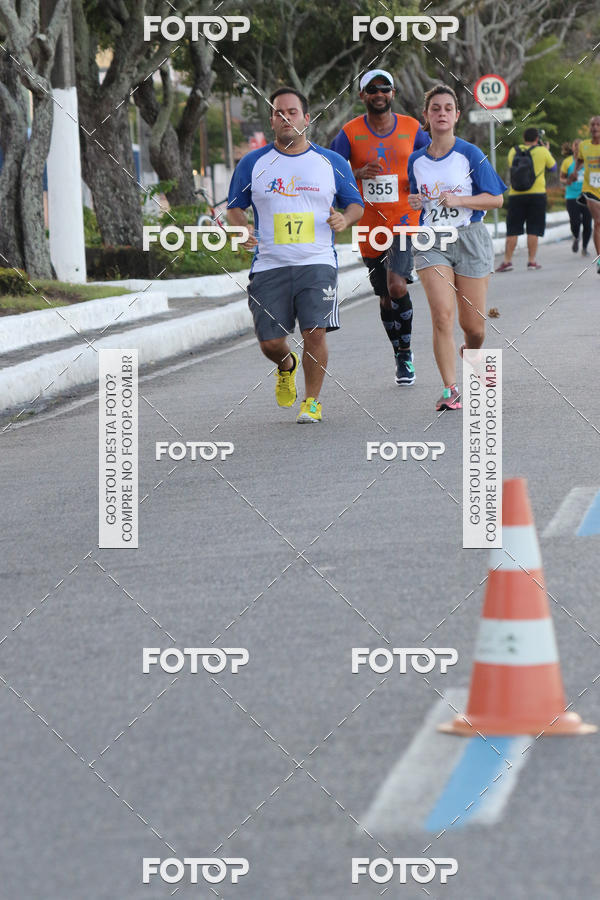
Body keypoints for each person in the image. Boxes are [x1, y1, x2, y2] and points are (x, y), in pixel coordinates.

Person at [226, 87, 364, 423]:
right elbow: (234, 209)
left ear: (306, 118)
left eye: (292, 112)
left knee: (314, 332)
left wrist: (344, 218)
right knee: (270, 342)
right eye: (279, 113)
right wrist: (242, 228)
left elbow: (356, 204)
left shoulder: (330, 162)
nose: (286, 118)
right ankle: (286, 364)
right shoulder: (252, 163)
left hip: (317, 262)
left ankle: (312, 402)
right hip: (270, 264)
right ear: (272, 121)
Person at [407, 84, 506, 411]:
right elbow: (419, 200)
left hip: (469, 237)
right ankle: (450, 389)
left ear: (457, 115)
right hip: (431, 240)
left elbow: (496, 198)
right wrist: (415, 201)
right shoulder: (416, 160)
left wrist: (460, 199)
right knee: (441, 315)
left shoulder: (470, 153)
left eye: (448, 108)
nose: (441, 114)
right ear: (426, 116)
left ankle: (469, 349)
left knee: (474, 327)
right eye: (435, 108)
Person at [330, 70, 430, 386]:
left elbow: (433, 160)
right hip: (369, 224)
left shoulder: (413, 128)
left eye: (384, 88)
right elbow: (330, 170)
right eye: (372, 89)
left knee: (397, 285)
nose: (379, 93)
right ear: (362, 95)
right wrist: (357, 172)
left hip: (404, 219)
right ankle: (398, 351)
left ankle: (407, 354)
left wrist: (423, 190)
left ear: (393, 93)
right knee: (386, 297)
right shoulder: (349, 133)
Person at [496, 127, 556, 272]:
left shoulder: (514, 150)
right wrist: (546, 149)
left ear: (524, 138)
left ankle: (507, 261)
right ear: (537, 138)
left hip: (516, 195)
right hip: (537, 195)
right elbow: (553, 168)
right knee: (533, 229)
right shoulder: (542, 151)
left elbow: (513, 167)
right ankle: (531, 261)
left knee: (513, 230)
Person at [568, 116, 600, 274]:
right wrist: (574, 172)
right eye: (592, 125)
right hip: (590, 188)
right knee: (598, 222)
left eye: (598, 125)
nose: (594, 127)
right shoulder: (584, 146)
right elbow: (579, 160)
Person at [560, 139, 591, 256]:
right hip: (571, 196)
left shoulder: (589, 161)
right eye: (576, 146)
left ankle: (584, 248)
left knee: (588, 224)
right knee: (575, 222)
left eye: (580, 146)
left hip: (587, 196)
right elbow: (561, 178)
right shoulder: (567, 162)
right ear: (572, 148)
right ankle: (576, 237)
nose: (578, 148)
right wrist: (567, 181)